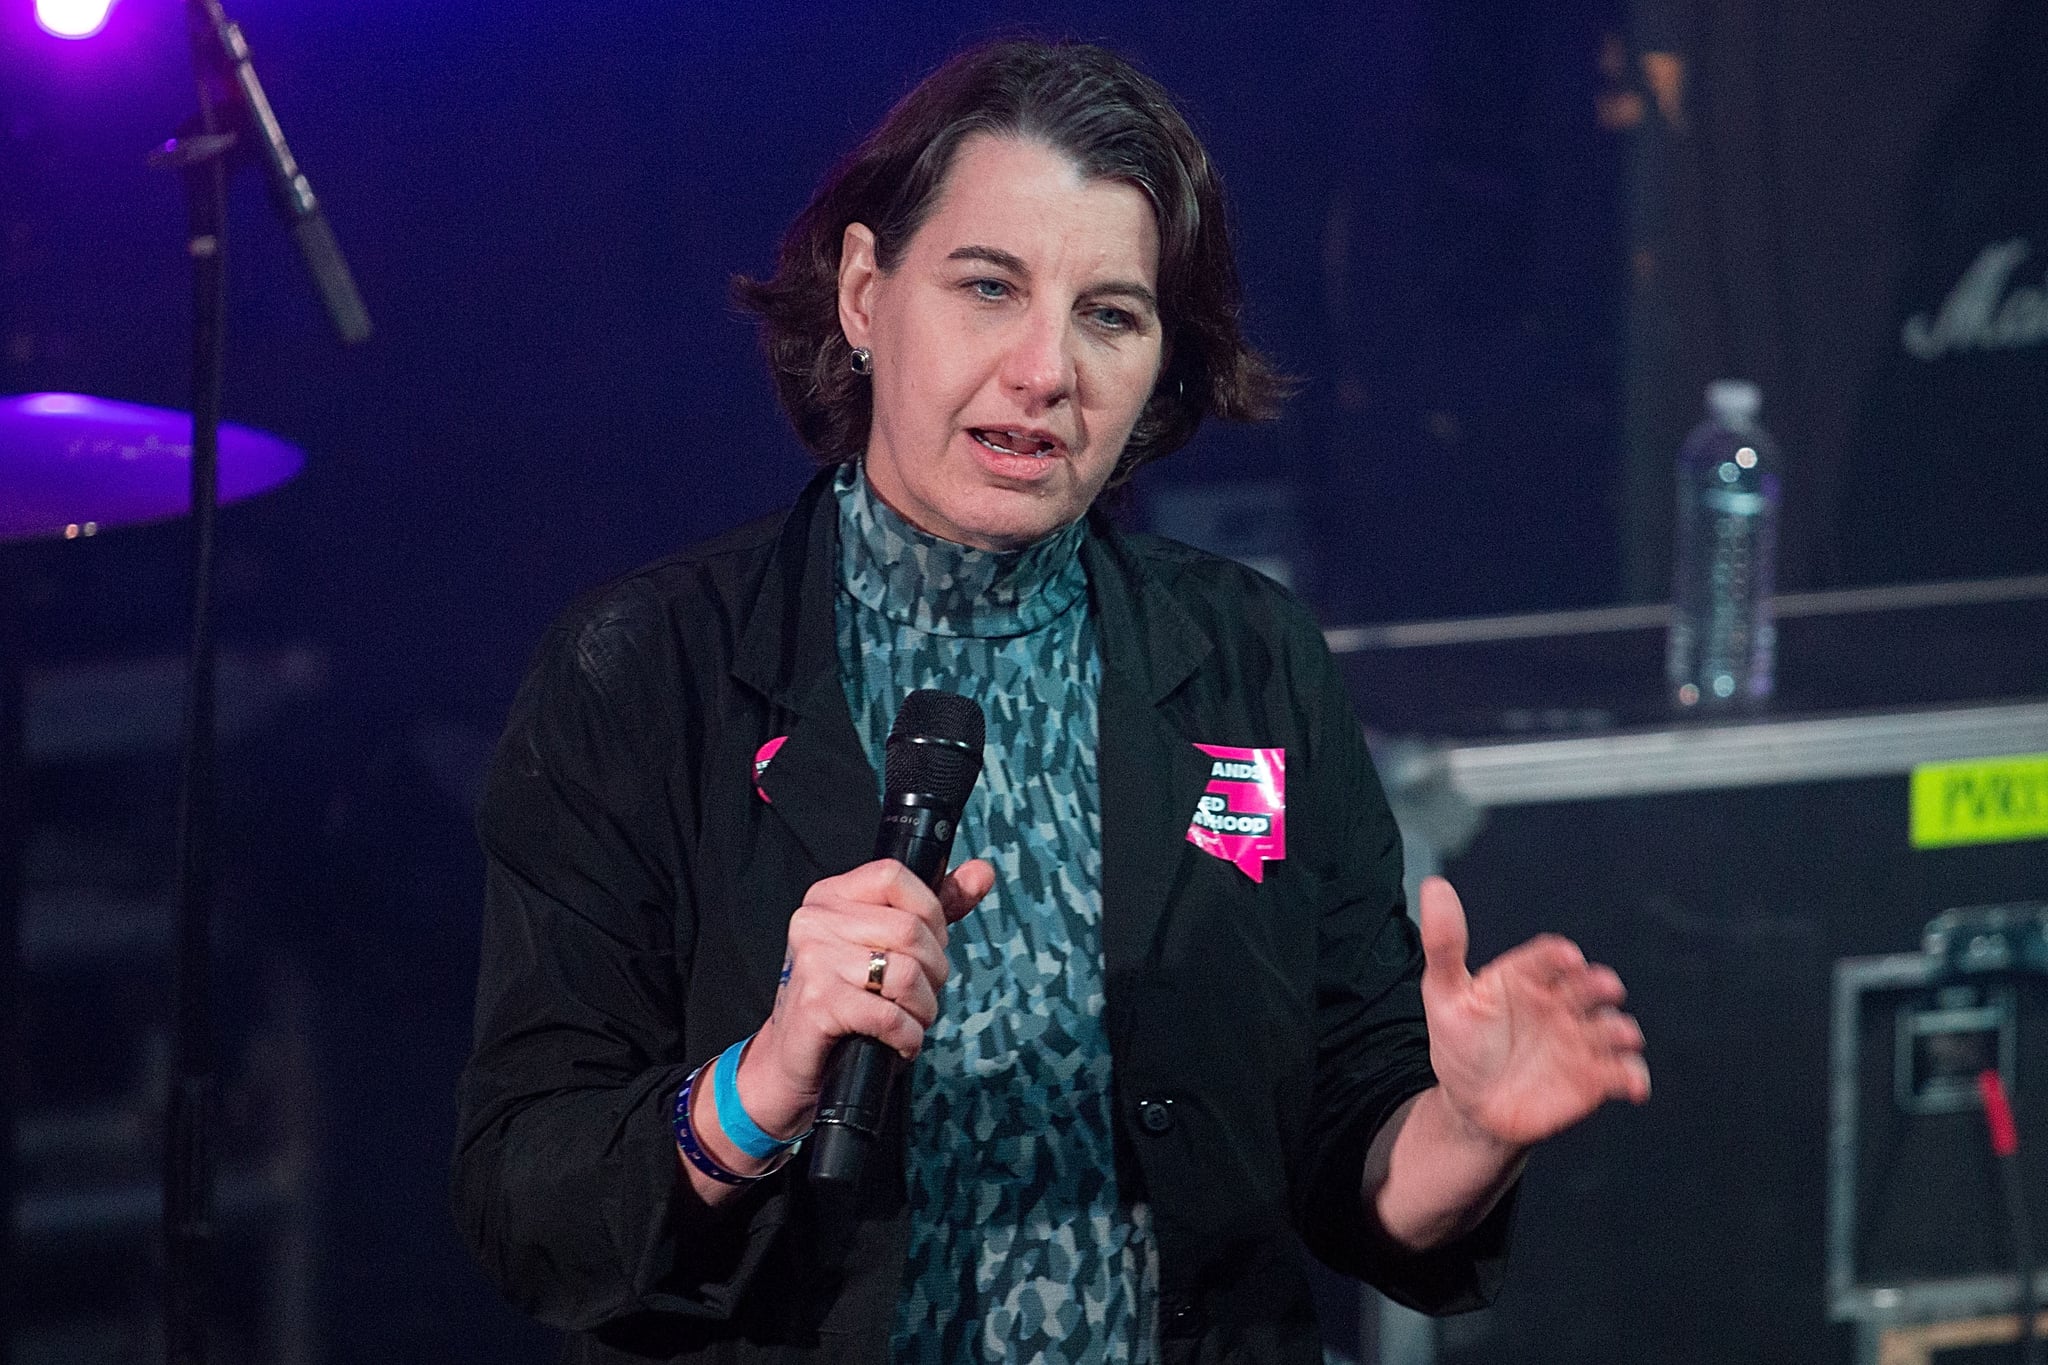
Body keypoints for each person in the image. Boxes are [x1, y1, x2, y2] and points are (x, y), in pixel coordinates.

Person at [453, 37, 1649, 1365]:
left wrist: (1468, 1130)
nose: (1046, 370)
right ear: (863, 291)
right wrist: (762, 1080)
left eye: (1111, 314)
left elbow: (1355, 1169)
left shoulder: (1251, 657)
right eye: (987, 286)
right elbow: (528, 1201)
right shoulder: (644, 671)